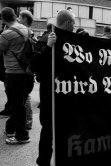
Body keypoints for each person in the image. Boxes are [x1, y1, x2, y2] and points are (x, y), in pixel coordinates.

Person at [31, 9, 75, 166]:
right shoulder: (45, 38)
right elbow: (34, 64)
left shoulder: (73, 40)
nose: (75, 26)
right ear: (68, 23)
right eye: (74, 23)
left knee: (65, 130)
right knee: (48, 130)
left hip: (66, 92)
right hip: (50, 94)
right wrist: (49, 47)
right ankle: (43, 162)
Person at [0, 7, 31, 144]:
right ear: (15, 15)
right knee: (18, 104)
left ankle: (22, 136)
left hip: (14, 74)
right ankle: (11, 127)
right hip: (28, 73)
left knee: (18, 106)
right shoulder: (26, 29)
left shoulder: (6, 34)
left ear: (3, 19)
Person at [18, 9, 36, 130]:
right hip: (28, 69)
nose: (18, 19)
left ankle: (27, 121)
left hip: (24, 69)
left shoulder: (25, 32)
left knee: (24, 96)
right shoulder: (31, 33)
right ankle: (26, 121)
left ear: (24, 19)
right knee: (25, 96)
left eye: (20, 17)